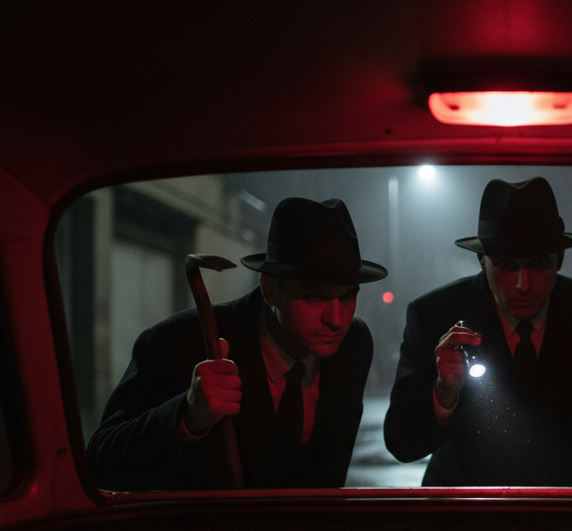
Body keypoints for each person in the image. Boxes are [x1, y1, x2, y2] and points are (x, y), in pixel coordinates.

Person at [87, 197, 386, 490]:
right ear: (270, 290)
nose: (336, 319)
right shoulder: (180, 342)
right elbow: (101, 464)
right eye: (314, 296)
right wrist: (186, 417)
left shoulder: (353, 345)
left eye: (348, 296)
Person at [383, 177, 572, 486]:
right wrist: (443, 392)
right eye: (506, 265)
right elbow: (401, 443)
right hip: (463, 510)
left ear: (560, 259)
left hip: (567, 511)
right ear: (481, 260)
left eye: (537, 264)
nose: (522, 284)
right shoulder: (435, 315)